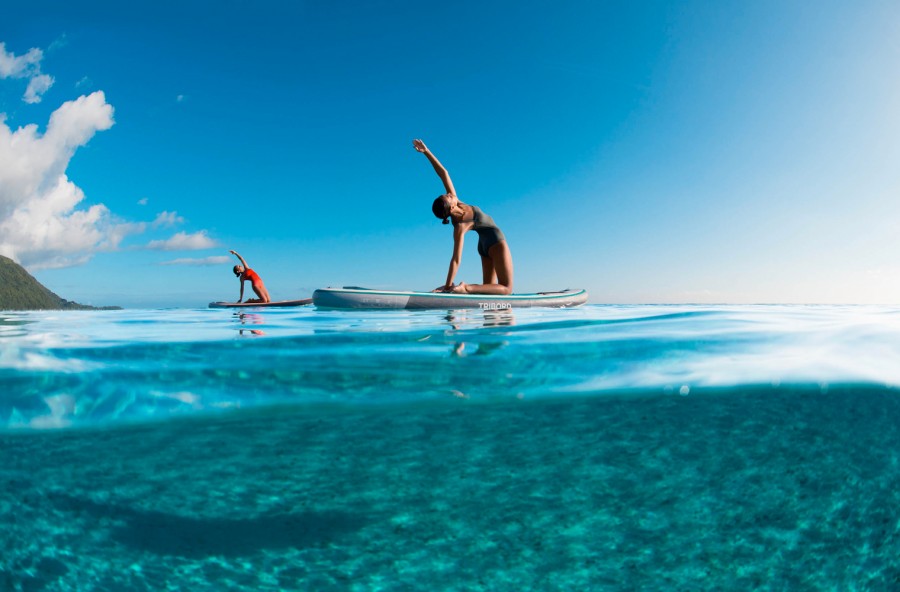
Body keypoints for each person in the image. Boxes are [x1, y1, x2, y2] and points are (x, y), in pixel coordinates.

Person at [413, 139, 514, 295]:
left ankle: (462, 290)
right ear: (451, 207)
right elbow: (456, 260)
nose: (449, 194)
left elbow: (443, 173)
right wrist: (448, 286)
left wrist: (427, 152)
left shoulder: (458, 219)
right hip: (496, 242)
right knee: (506, 289)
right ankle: (465, 288)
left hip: (483, 247)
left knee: (489, 291)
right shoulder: (460, 223)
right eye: (448, 196)